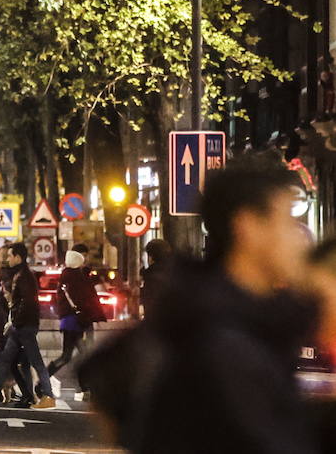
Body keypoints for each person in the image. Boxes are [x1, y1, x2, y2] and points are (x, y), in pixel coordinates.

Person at [81, 161, 318, 453]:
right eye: (286, 222)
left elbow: (105, 382)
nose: (297, 237)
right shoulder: (223, 339)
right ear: (248, 226)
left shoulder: (198, 307)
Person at [0, 242, 54, 410]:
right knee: (5, 361)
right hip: (18, 326)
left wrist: (15, 321)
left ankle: (49, 396)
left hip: (24, 326)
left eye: (10, 255)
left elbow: (27, 303)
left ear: (18, 257)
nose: (8, 258)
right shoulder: (20, 274)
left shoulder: (24, 276)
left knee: (36, 362)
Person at [48, 246, 105, 376]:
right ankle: (45, 379)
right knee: (76, 355)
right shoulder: (74, 277)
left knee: (73, 355)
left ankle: (86, 386)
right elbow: (84, 299)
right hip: (75, 321)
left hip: (73, 321)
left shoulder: (68, 276)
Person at [139, 238, 172, 318]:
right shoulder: (175, 272)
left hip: (156, 321)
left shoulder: (150, 275)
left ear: (151, 256)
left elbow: (148, 298)